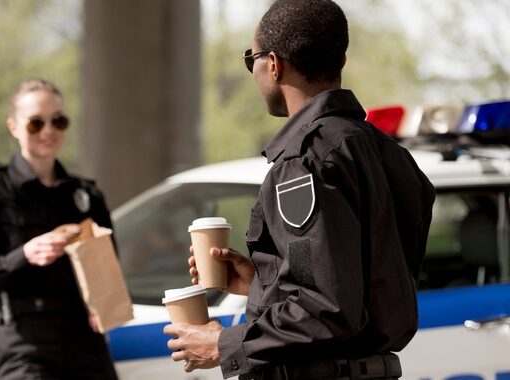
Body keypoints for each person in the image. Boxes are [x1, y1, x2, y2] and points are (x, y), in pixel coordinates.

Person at [163, 1, 436, 379]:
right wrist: (262, 282)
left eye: (251, 59)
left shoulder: (304, 160)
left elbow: (326, 308)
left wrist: (224, 344)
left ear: (273, 64)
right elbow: (354, 282)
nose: (254, 70)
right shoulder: (387, 152)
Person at [0, 78, 118, 379]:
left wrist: (105, 305)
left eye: (58, 121)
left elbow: (109, 269)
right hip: (26, 343)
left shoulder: (85, 194)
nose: (48, 131)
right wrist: (24, 254)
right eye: (35, 123)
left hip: (86, 341)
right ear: (13, 127)